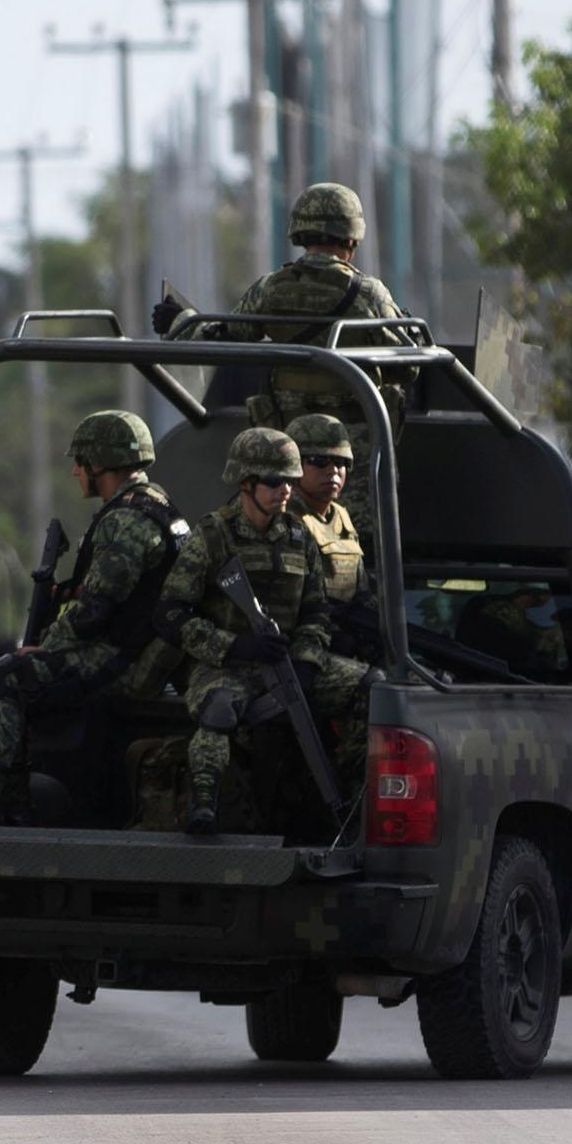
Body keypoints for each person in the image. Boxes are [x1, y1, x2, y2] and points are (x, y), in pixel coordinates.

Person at [0, 411, 187, 827]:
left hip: (125, 661)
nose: (74, 470)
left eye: (80, 461)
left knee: (5, 675)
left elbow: (94, 613)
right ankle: (13, 795)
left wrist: (46, 647)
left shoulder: (126, 522)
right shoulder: (156, 508)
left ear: (100, 463)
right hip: (140, 653)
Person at [153, 182, 408, 544]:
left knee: (286, 547)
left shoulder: (270, 289)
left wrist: (181, 320)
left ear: (301, 233)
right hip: (352, 461)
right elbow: (408, 365)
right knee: (358, 550)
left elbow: (222, 342)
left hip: (286, 461)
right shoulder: (369, 295)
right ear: (352, 239)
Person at [154, 429, 378, 835]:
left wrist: (307, 660)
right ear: (245, 483)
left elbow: (315, 611)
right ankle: (204, 804)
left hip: (286, 660)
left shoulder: (299, 538)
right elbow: (170, 614)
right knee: (218, 710)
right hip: (227, 663)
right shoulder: (212, 537)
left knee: (371, 686)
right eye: (274, 482)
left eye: (290, 482)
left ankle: (353, 793)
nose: (285, 491)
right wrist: (233, 644)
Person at [284, 413, 364, 602]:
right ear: (295, 464)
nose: (333, 470)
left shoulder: (341, 518)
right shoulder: (281, 518)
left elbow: (362, 589)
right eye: (319, 461)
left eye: (340, 462)